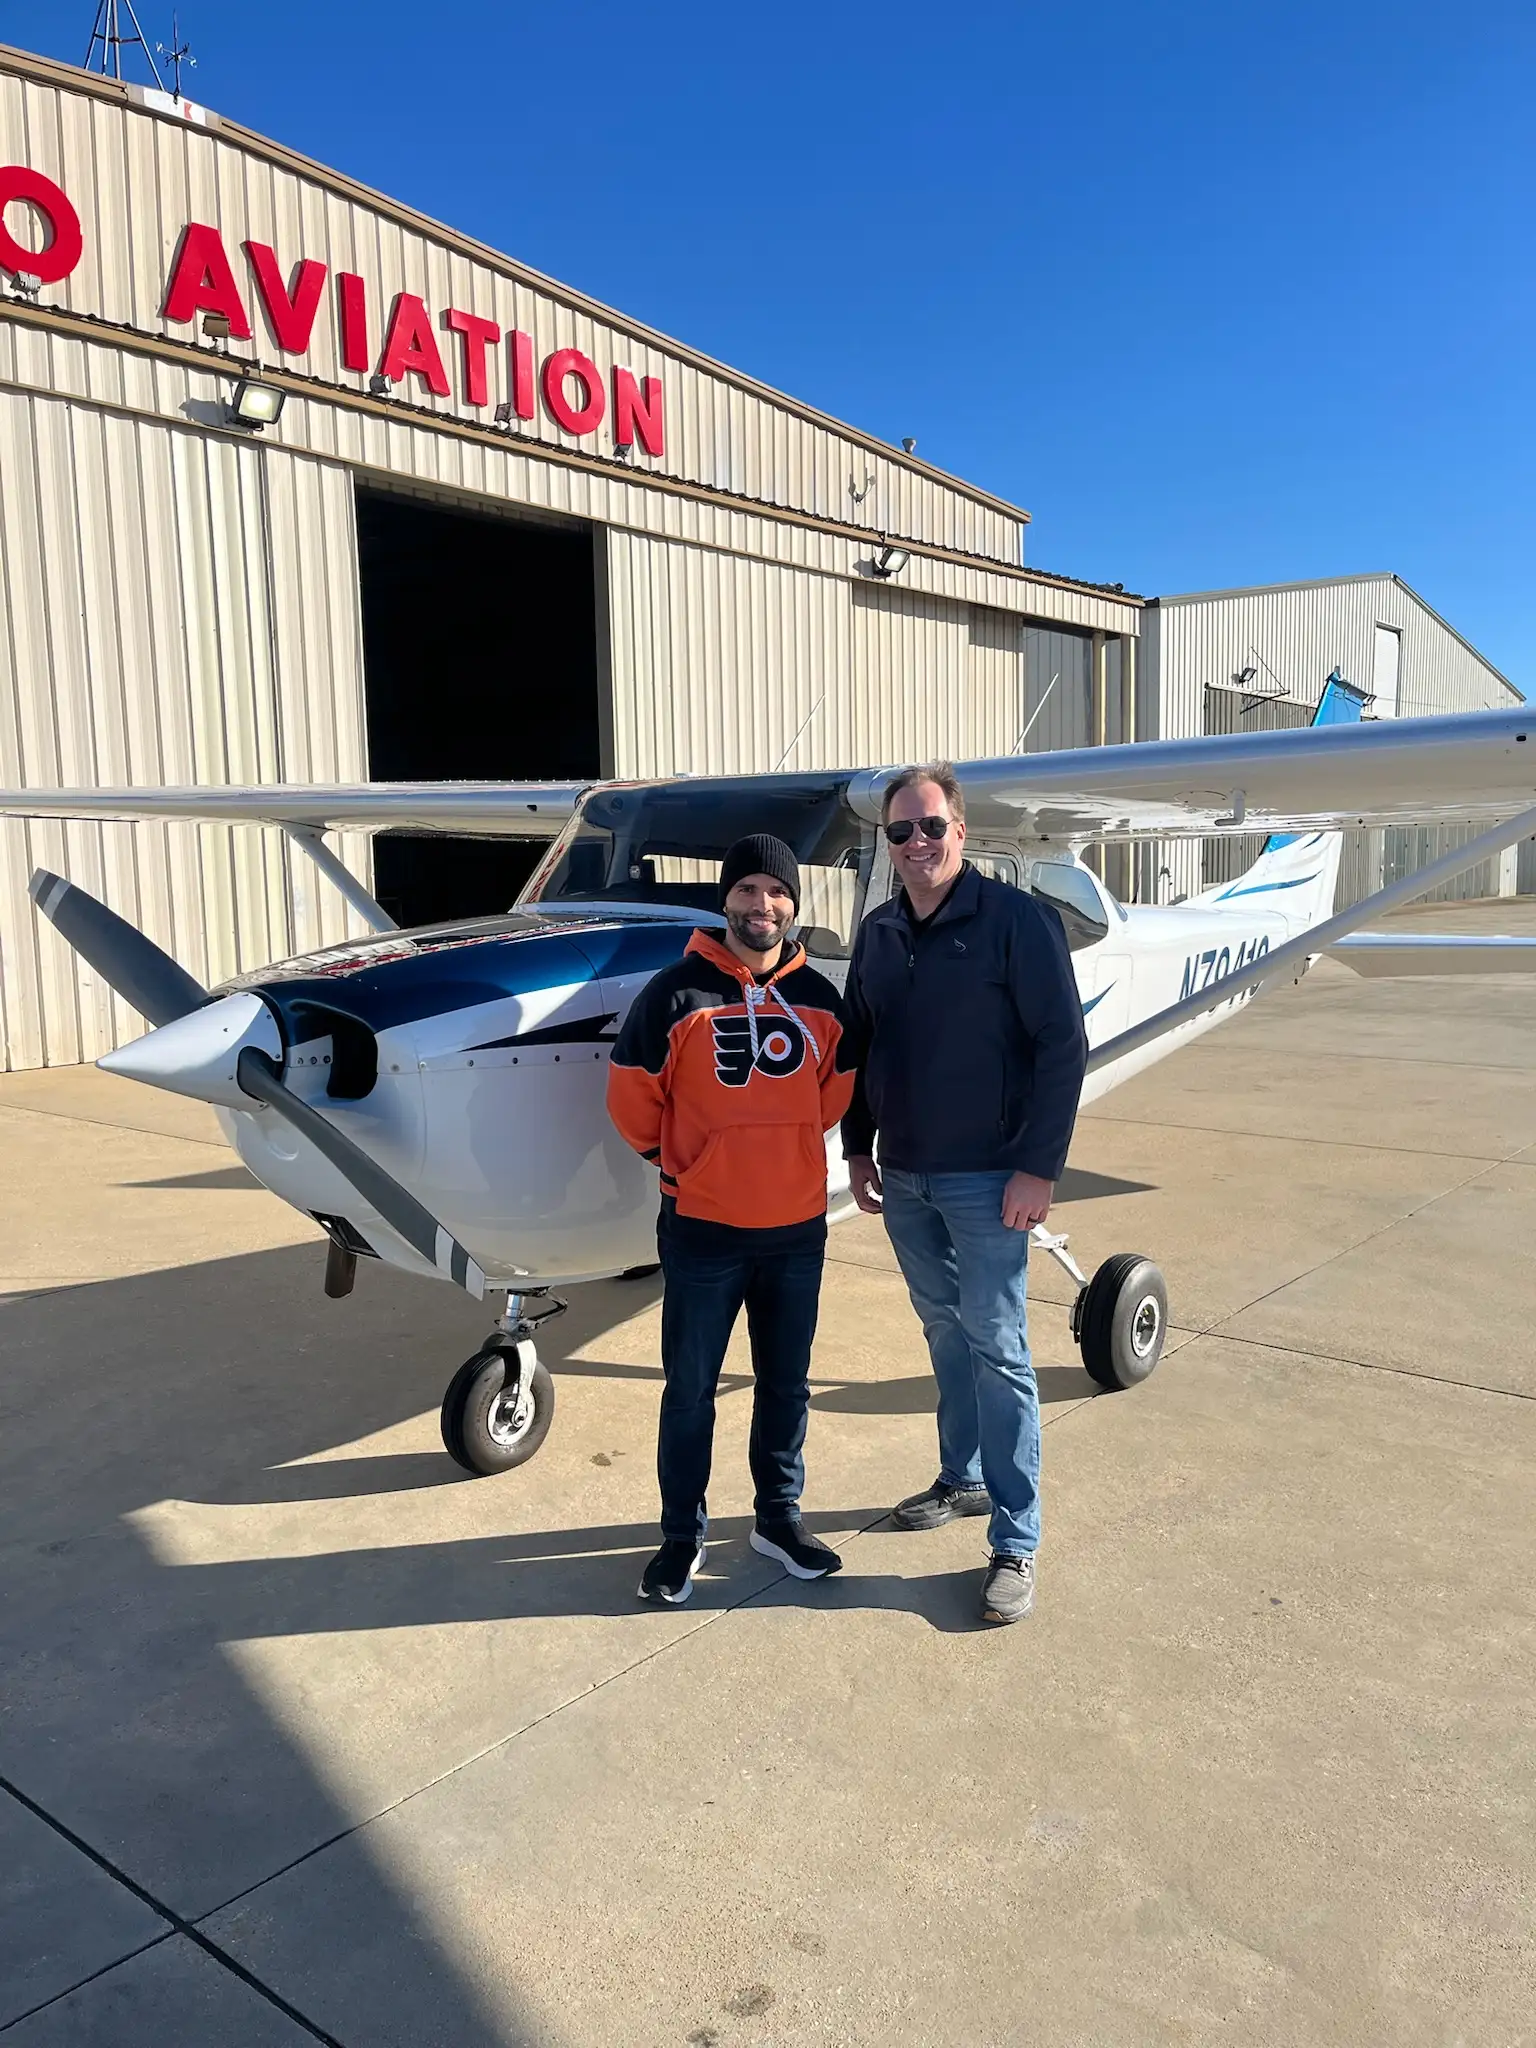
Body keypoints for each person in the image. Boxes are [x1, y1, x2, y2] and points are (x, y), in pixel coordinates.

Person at [842, 763, 1088, 1625]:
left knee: (999, 1343)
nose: (916, 844)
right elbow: (858, 1048)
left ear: (963, 831)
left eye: (931, 827)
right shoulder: (875, 933)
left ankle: (1017, 1539)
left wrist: (1038, 1167)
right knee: (943, 1327)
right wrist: (857, 1149)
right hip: (904, 1173)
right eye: (899, 832)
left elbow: (1062, 1047)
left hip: (991, 1177)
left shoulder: (1018, 922)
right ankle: (964, 1476)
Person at [607, 833, 857, 1605]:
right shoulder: (674, 994)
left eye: (777, 892)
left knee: (786, 1385)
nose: (763, 905)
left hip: (794, 1231)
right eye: (748, 890)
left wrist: (774, 1152)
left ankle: (777, 1519)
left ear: (793, 904)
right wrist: (691, 1164)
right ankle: (680, 1536)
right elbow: (631, 1097)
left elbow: (834, 1095)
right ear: (726, 902)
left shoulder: (819, 998)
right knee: (690, 1390)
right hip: (704, 1232)